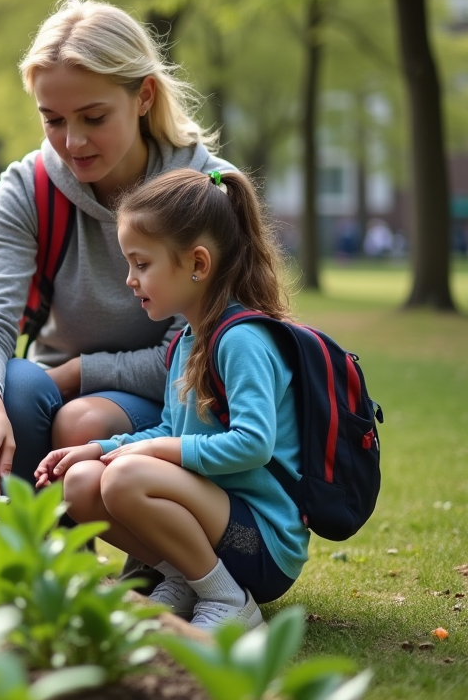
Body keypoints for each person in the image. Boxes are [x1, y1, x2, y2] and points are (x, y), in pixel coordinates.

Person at [0, 0, 236, 499]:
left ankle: (156, 552)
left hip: (184, 405)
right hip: (52, 394)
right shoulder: (27, 189)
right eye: (54, 119)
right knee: (10, 389)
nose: (74, 141)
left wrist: (76, 374)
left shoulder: (210, 191)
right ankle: (31, 552)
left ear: (144, 95)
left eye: (93, 117)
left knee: (81, 422)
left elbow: (196, 355)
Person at [35, 168, 307, 632]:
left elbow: (254, 444)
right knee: (81, 482)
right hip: (213, 524)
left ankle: (229, 600)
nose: (130, 279)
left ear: (198, 264)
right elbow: (170, 429)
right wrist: (96, 449)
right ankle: (186, 577)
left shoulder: (242, 341)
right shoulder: (186, 341)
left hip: (261, 542)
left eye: (141, 264)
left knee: (124, 478)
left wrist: (153, 451)